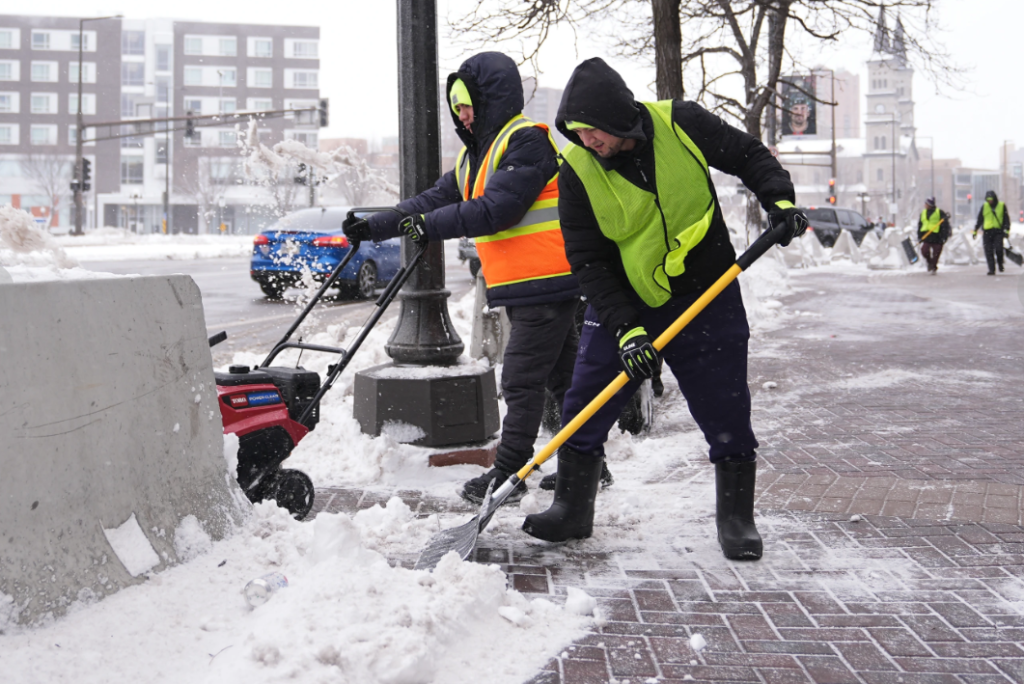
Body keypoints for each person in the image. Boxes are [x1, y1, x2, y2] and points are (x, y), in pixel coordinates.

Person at [521, 58, 805, 561]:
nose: (588, 142)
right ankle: (572, 508)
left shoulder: (682, 123)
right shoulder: (578, 172)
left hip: (708, 292)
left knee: (726, 406)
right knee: (585, 400)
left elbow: (746, 153)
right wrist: (627, 331)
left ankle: (736, 518)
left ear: (617, 117)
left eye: (593, 132)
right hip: (626, 300)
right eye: (579, 133)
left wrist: (778, 200)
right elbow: (587, 260)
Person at [342, 52, 588, 506]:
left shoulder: (526, 144)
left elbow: (497, 211)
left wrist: (428, 228)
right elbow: (432, 200)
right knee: (564, 378)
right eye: (455, 105)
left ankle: (509, 476)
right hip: (530, 284)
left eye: (466, 101)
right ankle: (589, 462)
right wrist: (375, 225)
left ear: (491, 97)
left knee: (520, 380)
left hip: (547, 282)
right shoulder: (477, 157)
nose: (461, 112)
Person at [974, 190, 1010, 275]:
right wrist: (975, 230)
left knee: (999, 249)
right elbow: (980, 219)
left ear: (994, 198)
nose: (989, 201)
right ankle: (991, 269)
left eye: (991, 199)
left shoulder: (1001, 205)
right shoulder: (984, 206)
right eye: (988, 199)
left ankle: (1000, 263)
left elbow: (1006, 219)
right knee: (988, 251)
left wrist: (1006, 230)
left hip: (998, 231)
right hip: (987, 232)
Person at [917, 197, 951, 274]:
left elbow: (945, 225)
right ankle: (930, 263)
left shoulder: (939, 212)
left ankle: (933, 266)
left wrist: (944, 236)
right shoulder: (923, 213)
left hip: (937, 236)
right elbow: (920, 225)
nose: (925, 205)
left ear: (930, 204)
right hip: (926, 236)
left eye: (926, 204)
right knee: (924, 251)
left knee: (936, 253)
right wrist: (919, 236)